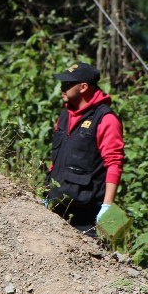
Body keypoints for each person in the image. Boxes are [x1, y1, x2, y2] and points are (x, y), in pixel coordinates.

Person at [46, 62, 124, 236]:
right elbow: (57, 157)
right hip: (56, 208)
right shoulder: (64, 115)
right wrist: (47, 190)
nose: (62, 88)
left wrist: (107, 207)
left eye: (67, 84)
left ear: (83, 87)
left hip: (86, 218)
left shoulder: (106, 119)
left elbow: (114, 163)